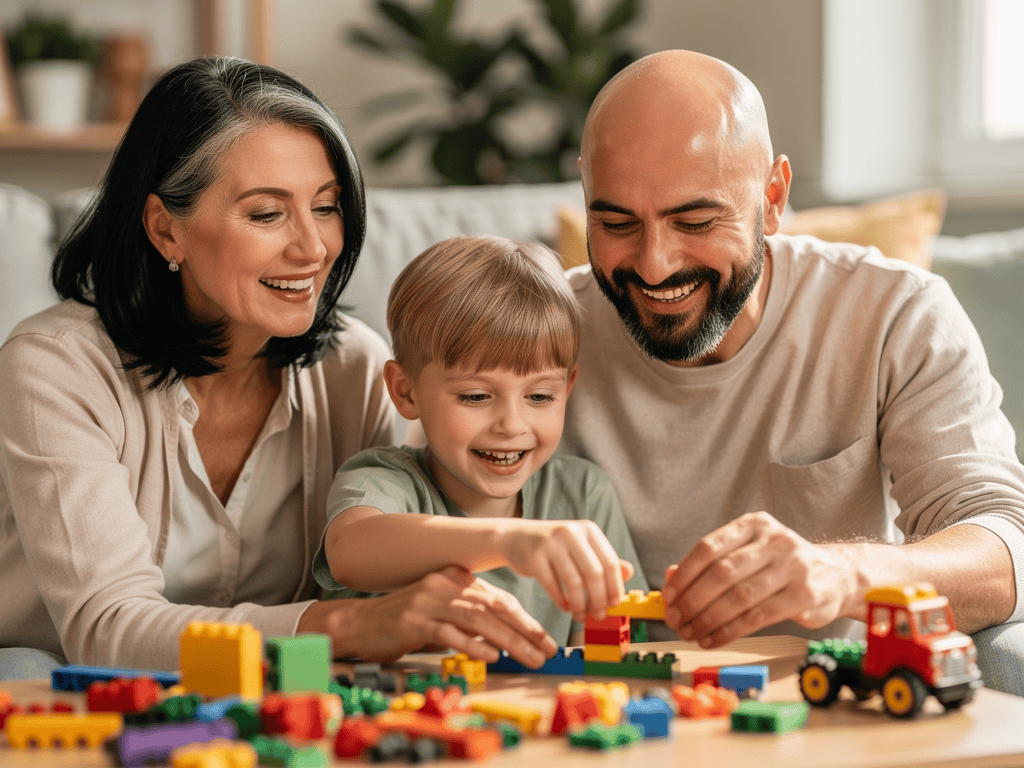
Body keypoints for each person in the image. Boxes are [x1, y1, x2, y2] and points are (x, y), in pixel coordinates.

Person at [0, 57, 556, 680]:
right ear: (165, 229)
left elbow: (378, 570)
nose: (314, 248)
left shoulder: (356, 368)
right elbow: (107, 628)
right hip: (64, 681)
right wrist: (347, 628)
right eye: (267, 214)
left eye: (325, 207)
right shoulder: (53, 369)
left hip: (277, 691)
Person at [560, 49, 1024, 694]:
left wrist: (841, 573)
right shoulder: (543, 331)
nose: (655, 265)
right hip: (606, 710)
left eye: (695, 221)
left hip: (835, 714)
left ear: (773, 197)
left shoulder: (894, 314)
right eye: (614, 222)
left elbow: (1004, 552)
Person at [313, 234, 647, 646]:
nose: (511, 424)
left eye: (539, 396)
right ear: (405, 390)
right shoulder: (383, 480)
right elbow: (350, 552)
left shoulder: (583, 494)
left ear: (568, 386)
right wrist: (510, 540)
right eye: (475, 396)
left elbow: (612, 642)